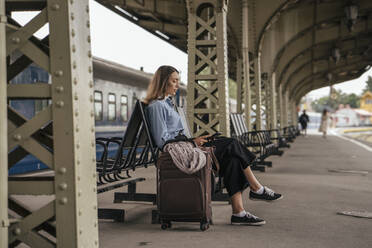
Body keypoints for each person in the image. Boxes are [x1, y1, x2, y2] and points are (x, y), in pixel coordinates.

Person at [144, 65, 282, 226]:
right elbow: (162, 141)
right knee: (232, 143)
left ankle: (239, 213)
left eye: (178, 81)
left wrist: (196, 139)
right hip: (180, 151)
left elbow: (174, 135)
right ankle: (256, 188)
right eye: (174, 81)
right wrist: (192, 142)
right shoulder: (157, 107)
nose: (177, 85)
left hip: (187, 145)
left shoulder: (168, 104)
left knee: (233, 160)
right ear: (162, 82)